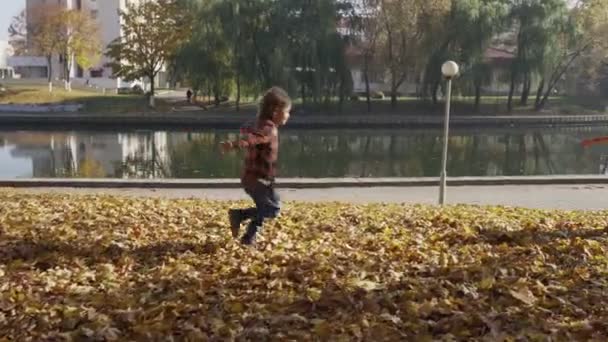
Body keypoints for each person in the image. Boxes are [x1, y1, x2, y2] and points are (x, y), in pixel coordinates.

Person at [220, 87, 291, 245]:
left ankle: (248, 238)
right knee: (273, 209)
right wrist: (234, 144)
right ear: (275, 111)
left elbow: (247, 130)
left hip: (257, 178)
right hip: (257, 180)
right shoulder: (268, 129)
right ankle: (239, 215)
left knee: (264, 208)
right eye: (286, 111)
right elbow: (253, 138)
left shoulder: (261, 124)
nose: (288, 115)